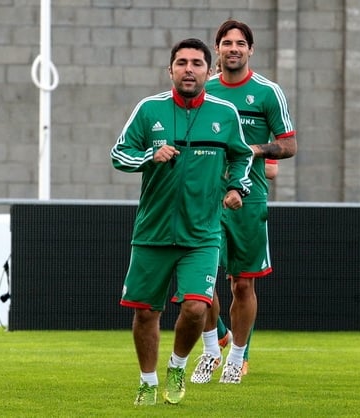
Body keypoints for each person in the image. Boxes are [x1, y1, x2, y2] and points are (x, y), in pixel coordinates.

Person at [110, 38, 253, 406]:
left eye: (197, 63)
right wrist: (149, 155)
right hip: (153, 232)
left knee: (196, 307)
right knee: (146, 313)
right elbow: (118, 155)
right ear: (170, 69)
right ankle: (147, 380)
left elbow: (241, 157)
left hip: (202, 234)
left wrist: (237, 187)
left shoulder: (224, 114)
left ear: (210, 70)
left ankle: (177, 365)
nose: (189, 69)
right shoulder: (148, 109)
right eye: (181, 63)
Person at [189, 19, 297, 385]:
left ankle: (238, 357)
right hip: (207, 198)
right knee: (199, 281)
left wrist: (257, 150)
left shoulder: (268, 92)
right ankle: (217, 340)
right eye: (226, 42)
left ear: (251, 50)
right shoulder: (206, 89)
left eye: (240, 43)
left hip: (249, 200)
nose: (233, 48)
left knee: (242, 285)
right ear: (216, 49)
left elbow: (289, 145)